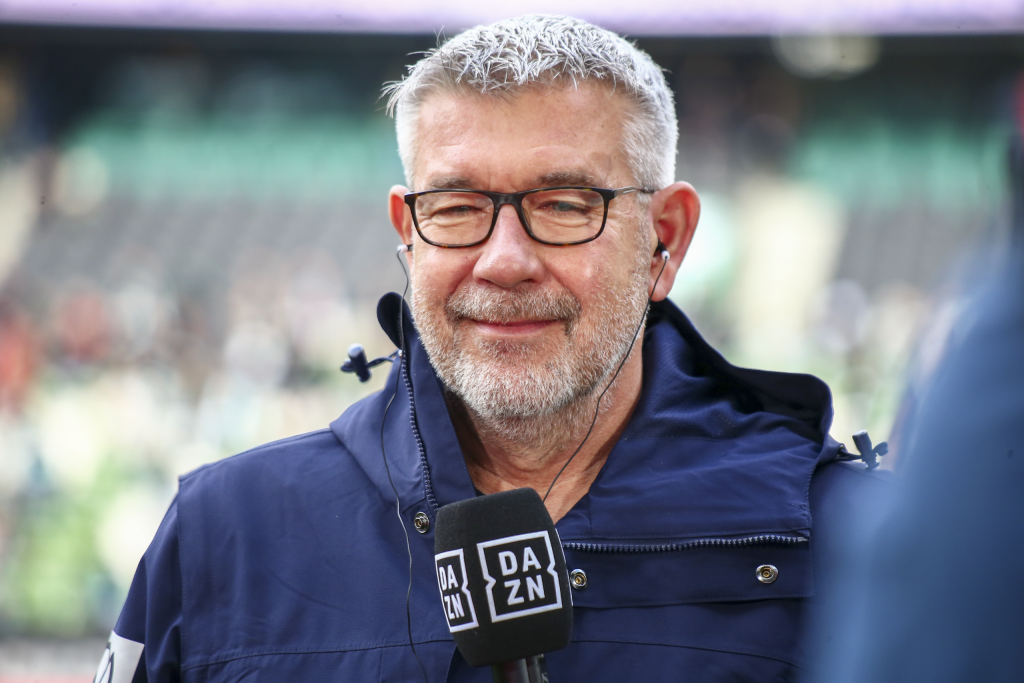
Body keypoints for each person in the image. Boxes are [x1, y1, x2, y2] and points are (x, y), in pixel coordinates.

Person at [94, 16, 888, 683]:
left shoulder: (857, 544)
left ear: (665, 239)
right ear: (408, 235)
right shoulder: (223, 531)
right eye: (457, 206)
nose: (504, 260)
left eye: (565, 203)